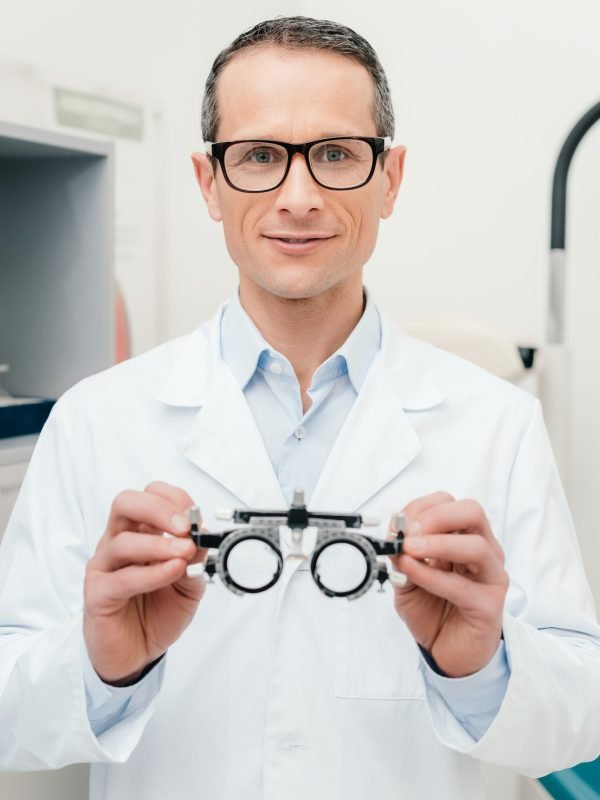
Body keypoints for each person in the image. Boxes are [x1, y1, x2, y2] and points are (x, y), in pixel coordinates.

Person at [0, 16, 599, 800]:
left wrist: (480, 664)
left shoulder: (496, 424)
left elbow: (579, 722)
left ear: (390, 178)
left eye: (337, 154)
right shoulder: (95, 420)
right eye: (257, 156)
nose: (299, 196)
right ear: (208, 183)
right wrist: (105, 662)